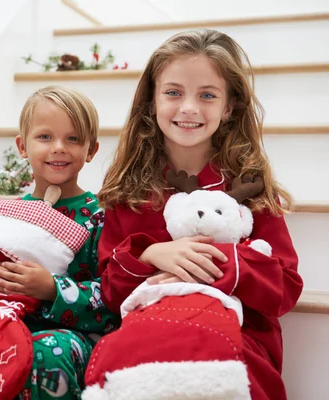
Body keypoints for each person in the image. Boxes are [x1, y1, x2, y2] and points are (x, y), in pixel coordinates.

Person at [93, 29, 302, 399]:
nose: (189, 107)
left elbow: (285, 287)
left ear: (228, 106)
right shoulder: (131, 185)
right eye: (173, 92)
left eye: (207, 95)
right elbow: (110, 288)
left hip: (235, 338)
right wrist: (150, 255)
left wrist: (211, 262)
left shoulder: (248, 183)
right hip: (150, 332)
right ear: (150, 103)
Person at [0, 85, 119, 400]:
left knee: (45, 353)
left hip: (71, 336)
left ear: (91, 150)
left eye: (73, 139)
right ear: (22, 146)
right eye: (44, 137)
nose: (58, 148)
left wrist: (53, 289)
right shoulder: (6, 214)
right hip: (2, 322)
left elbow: (111, 298)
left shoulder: (99, 218)